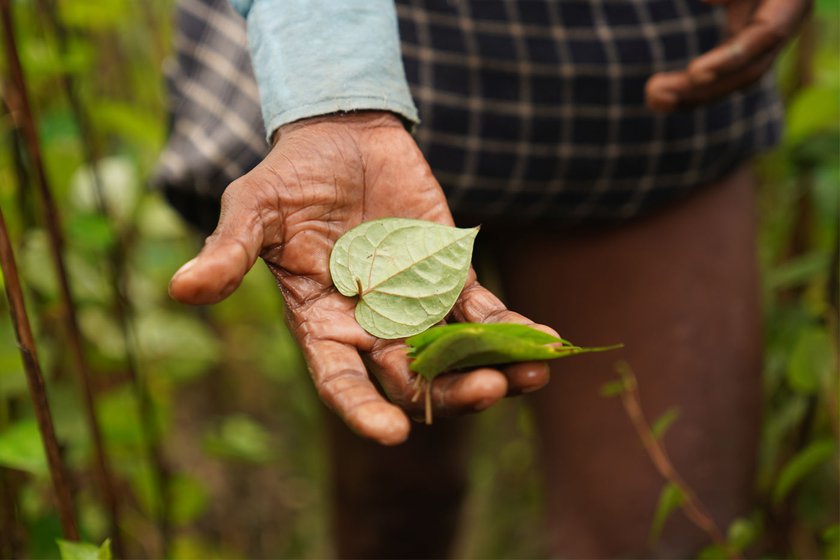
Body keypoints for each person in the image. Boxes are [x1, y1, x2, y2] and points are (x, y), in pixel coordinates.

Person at [158, 0, 810, 556]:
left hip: (641, 77)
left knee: (664, 525)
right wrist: (335, 96)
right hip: (362, 53)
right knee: (393, 507)